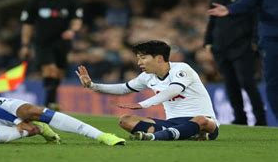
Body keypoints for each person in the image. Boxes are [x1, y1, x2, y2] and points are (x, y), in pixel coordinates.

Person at [76, 40, 219, 141]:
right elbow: (123, 88)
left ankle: (156, 136)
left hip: (204, 123)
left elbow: (174, 90)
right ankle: (183, 134)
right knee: (125, 120)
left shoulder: (182, 68)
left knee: (202, 120)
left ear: (159, 58)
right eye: (138, 58)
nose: (139, 63)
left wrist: (143, 104)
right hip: (172, 123)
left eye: (143, 58)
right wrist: (92, 85)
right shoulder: (147, 77)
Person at [208, 0, 278, 121]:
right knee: (273, 83)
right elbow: (245, 3)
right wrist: (230, 9)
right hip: (272, 41)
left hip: (245, 46)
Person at [19, 0, 83, 110]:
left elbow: (77, 21)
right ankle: (49, 103)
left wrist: (72, 31)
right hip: (42, 43)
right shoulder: (35, 2)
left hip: (62, 43)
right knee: (50, 70)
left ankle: (50, 100)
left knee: (58, 72)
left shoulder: (70, 2)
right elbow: (27, 25)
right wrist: (25, 44)